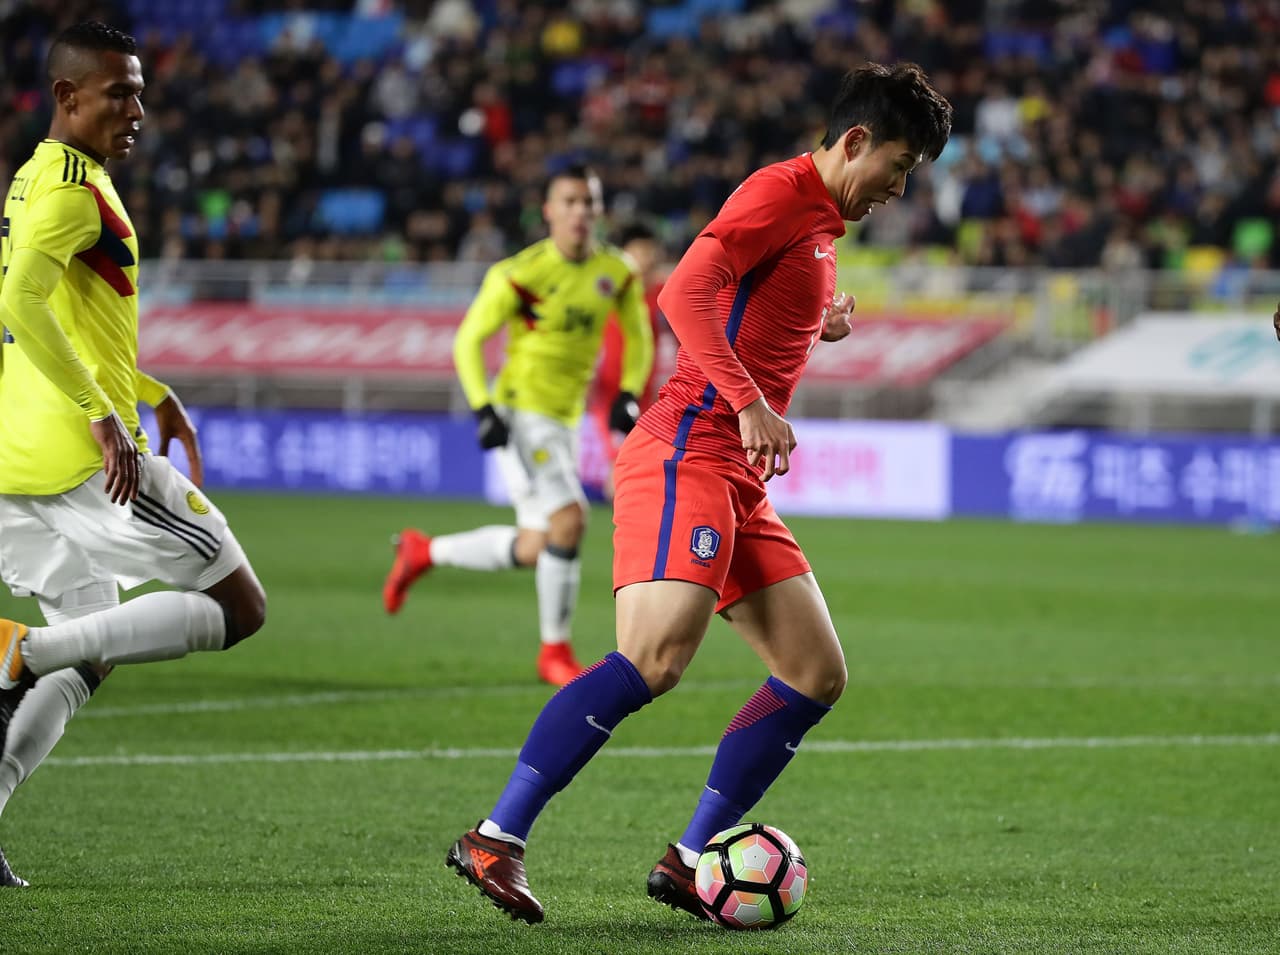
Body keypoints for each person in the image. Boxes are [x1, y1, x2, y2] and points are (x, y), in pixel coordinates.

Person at [443, 62, 952, 924]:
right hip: (689, 451)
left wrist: (813, 324)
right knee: (654, 657)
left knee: (814, 671)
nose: (899, 190)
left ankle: (689, 860)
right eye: (898, 167)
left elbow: (755, 309)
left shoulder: (821, 224)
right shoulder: (779, 192)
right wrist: (751, 400)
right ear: (855, 141)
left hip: (738, 475)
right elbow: (684, 291)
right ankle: (498, 835)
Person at [0, 21, 267, 887]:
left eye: (142, 89)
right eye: (118, 91)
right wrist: (105, 416)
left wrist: (148, 392)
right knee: (239, 606)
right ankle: (17, 651)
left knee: (90, 650)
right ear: (67, 96)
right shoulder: (77, 193)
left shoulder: (35, 179)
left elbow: (58, 317)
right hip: (83, 463)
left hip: (17, 462)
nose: (138, 108)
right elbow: (22, 297)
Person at [382, 165, 654, 687]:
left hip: (564, 420)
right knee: (571, 519)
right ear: (549, 211)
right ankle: (554, 652)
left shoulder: (615, 272)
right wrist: (483, 406)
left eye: (589, 203)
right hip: (520, 412)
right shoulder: (519, 274)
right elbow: (467, 340)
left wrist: (627, 391)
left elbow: (639, 335)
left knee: (538, 545)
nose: (580, 213)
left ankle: (424, 551)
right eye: (570, 202)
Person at [587, 222, 671, 499]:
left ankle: (634, 532)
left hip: (647, 395)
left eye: (651, 252)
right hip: (612, 394)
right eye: (640, 252)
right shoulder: (608, 290)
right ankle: (624, 535)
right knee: (622, 467)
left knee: (646, 469)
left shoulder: (663, 292)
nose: (648, 258)